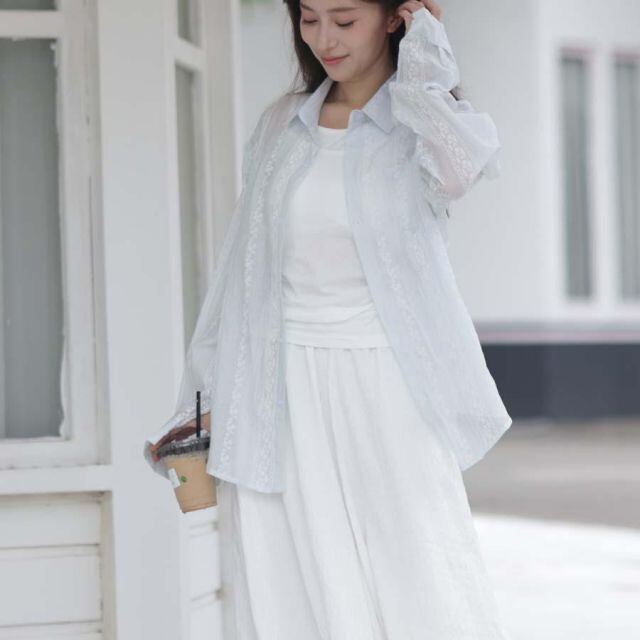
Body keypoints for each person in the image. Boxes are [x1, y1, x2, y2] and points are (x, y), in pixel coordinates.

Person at [145, 0, 512, 637]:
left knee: (417, 581)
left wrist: (427, 50)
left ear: (394, 18)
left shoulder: (424, 125)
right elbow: (240, 273)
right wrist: (199, 400)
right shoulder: (281, 125)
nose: (324, 39)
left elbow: (460, 168)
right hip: (277, 393)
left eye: (344, 20)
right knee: (288, 587)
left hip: (387, 390)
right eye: (309, 19)